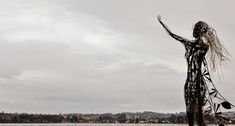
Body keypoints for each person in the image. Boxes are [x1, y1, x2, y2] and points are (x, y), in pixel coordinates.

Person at [158, 16, 233, 126]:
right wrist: (162, 24)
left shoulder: (201, 46)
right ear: (203, 33)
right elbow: (174, 36)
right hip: (192, 84)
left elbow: (174, 36)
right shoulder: (198, 46)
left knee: (197, 115)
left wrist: (162, 24)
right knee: (193, 115)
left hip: (196, 84)